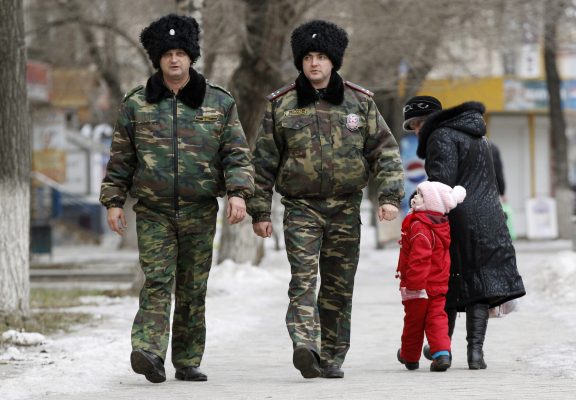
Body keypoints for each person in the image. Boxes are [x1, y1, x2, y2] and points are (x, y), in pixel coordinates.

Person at [99, 14, 254, 383]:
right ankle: (149, 351)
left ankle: (187, 358)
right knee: (156, 280)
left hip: (200, 210)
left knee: (192, 286)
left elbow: (236, 153)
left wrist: (238, 193)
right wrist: (114, 200)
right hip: (154, 211)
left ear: (191, 57)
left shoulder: (218, 102)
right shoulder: (137, 104)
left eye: (181, 53)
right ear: (157, 58)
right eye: (167, 53)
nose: (174, 60)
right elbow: (121, 157)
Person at [247, 20, 404, 379]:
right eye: (308, 57)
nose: (314, 64)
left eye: (321, 57)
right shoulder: (282, 105)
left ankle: (332, 355)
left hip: (345, 208)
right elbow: (263, 162)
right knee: (303, 279)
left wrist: (390, 196)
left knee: (337, 284)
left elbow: (385, 152)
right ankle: (306, 344)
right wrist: (259, 210)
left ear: (333, 61)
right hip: (301, 207)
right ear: (300, 62)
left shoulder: (359, 102)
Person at [405, 98, 525, 370]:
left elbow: (441, 183)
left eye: (418, 124)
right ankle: (475, 354)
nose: (416, 131)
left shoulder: (440, 136)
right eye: (412, 127)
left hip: (458, 218)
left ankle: (441, 347)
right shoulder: (480, 137)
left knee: (446, 283)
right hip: (491, 217)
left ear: (432, 121)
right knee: (478, 287)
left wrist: (418, 200)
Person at [395, 181, 466, 372]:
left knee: (414, 322)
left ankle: (409, 357)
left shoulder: (420, 226)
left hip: (420, 286)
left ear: (430, 203)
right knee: (437, 319)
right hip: (438, 284)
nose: (414, 197)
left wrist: (414, 285)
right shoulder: (441, 225)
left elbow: (420, 259)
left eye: (419, 195)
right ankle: (442, 354)